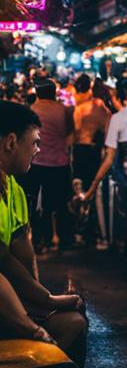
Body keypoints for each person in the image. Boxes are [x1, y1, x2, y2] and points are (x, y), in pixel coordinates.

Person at [0, 102, 87, 366]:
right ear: (11, 142)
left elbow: (20, 254)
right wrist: (33, 325)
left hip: (12, 302)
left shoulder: (13, 188)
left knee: (74, 318)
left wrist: (42, 304)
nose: (37, 151)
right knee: (68, 324)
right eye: (35, 143)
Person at [76, 79, 127, 214]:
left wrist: (92, 188)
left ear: (125, 96)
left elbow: (109, 159)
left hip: (124, 179)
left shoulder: (118, 118)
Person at [21, 79, 75, 251]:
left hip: (36, 162)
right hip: (59, 162)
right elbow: (70, 132)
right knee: (60, 203)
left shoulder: (31, 110)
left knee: (35, 202)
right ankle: (65, 239)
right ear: (53, 93)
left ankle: (39, 239)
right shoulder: (64, 110)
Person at [72, 75, 111, 248]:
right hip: (95, 152)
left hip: (80, 149)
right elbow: (107, 136)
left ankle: (79, 228)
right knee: (93, 190)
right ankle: (91, 230)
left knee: (79, 188)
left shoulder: (80, 108)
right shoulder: (106, 112)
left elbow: (76, 129)